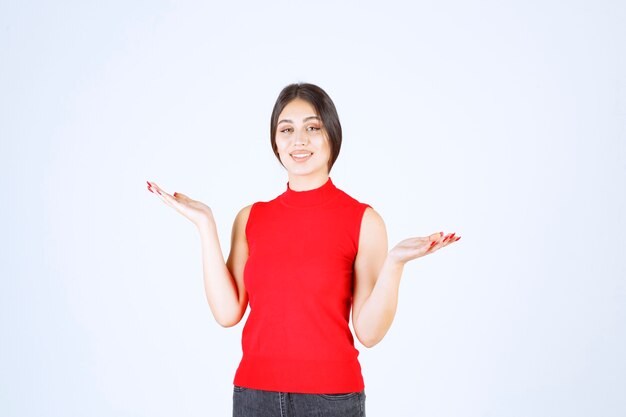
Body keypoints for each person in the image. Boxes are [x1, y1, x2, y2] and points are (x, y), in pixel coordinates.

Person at [146, 82, 460, 417]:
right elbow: (227, 313)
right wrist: (205, 225)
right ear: (275, 142)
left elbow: (368, 333)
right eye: (287, 129)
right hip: (254, 396)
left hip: (331, 399)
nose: (299, 140)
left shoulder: (364, 221)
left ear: (332, 137)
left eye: (313, 127)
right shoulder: (251, 218)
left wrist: (396, 262)